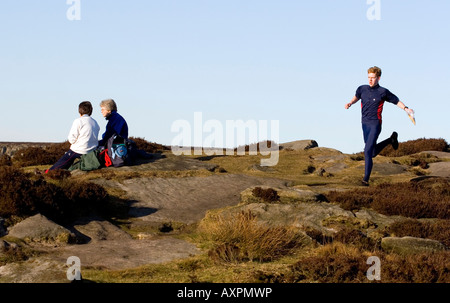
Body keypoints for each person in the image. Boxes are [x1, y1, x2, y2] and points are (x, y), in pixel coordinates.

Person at [345, 66, 415, 186]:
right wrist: (351, 103)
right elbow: (357, 96)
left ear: (378, 78)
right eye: (369, 77)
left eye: (373, 78)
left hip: (375, 124)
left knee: (367, 151)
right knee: (371, 153)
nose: (370, 80)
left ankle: (365, 180)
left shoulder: (383, 92)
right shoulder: (362, 89)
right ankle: (391, 139)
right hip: (364, 123)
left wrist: (406, 108)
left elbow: (396, 101)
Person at [47, 101, 100, 172]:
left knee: (64, 161)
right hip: (91, 151)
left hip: (79, 150)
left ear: (79, 111)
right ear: (91, 111)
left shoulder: (78, 121)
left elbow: (72, 139)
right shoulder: (95, 122)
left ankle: (48, 172)